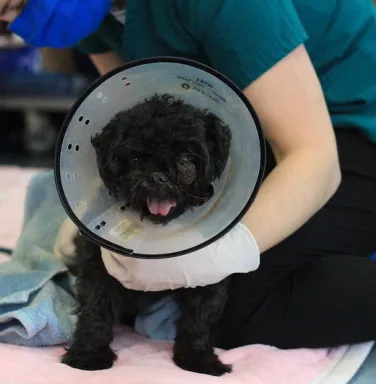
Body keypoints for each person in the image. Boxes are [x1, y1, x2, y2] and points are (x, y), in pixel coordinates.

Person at [2, 0, 376, 350]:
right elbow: (129, 106)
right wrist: (99, 202)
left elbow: (315, 158)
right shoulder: (88, 13)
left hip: (352, 126)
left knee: (233, 305)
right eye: (4, 18)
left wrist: (221, 253)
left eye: (16, 5)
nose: (17, 25)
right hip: (255, 126)